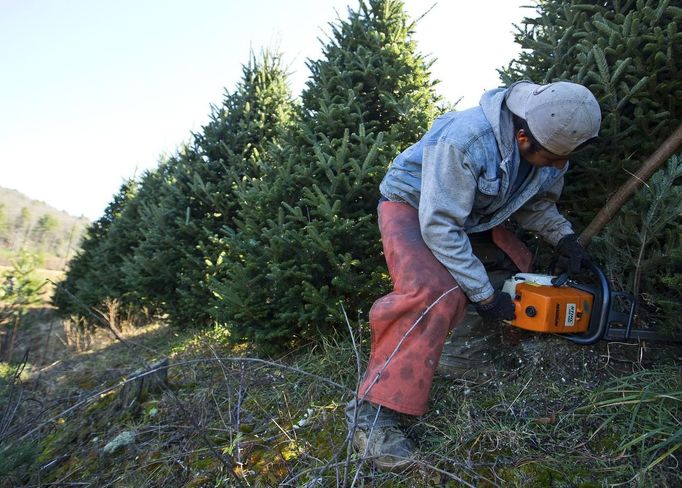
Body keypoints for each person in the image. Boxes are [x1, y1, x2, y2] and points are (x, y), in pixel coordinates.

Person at [346, 80, 601, 471]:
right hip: (414, 206)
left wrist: (565, 239)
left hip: (471, 213)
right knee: (433, 293)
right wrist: (483, 295)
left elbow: (533, 203)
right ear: (522, 137)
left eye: (561, 162)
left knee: (517, 268)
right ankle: (370, 415)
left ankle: (462, 357)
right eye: (550, 159)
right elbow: (440, 226)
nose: (556, 168)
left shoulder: (549, 145)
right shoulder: (465, 141)